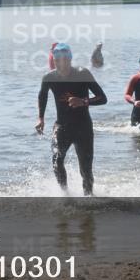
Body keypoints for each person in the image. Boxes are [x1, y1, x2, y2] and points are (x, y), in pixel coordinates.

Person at [35, 43, 107, 195]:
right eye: (56, 60)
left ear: (69, 60)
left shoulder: (83, 74)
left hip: (83, 127)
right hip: (62, 126)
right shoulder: (49, 78)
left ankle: (89, 197)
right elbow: (42, 97)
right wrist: (41, 118)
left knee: (86, 170)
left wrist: (83, 101)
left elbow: (102, 98)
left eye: (63, 60)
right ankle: (65, 195)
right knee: (56, 160)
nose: (60, 63)